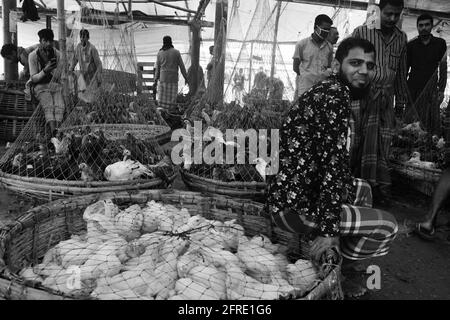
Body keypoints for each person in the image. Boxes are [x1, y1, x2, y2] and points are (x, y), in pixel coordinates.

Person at [264, 37, 398, 298]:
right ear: (337, 65)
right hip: (293, 209)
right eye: (355, 63)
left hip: (295, 192)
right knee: (388, 226)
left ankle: (341, 261)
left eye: (370, 66)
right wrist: (329, 231)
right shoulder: (334, 97)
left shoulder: (329, 89)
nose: (364, 71)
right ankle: (337, 267)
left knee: (364, 190)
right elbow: (332, 167)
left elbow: (331, 167)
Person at [351, 0, 410, 205]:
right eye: (388, 14)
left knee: (382, 144)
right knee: (356, 142)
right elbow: (348, 63)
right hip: (362, 95)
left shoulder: (401, 38)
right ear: (378, 11)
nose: (393, 19)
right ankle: (352, 188)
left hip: (386, 99)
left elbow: (401, 71)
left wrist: (401, 100)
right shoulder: (361, 32)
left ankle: (377, 190)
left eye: (397, 14)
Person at [406, 14, 447, 136]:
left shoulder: (440, 43)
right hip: (413, 91)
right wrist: (403, 92)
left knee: (431, 125)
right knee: (411, 126)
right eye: (421, 25)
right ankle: (409, 152)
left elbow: (443, 68)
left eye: (427, 25)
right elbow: (405, 69)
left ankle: (429, 151)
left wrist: (441, 90)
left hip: (432, 91)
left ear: (431, 26)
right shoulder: (411, 45)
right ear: (417, 27)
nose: (423, 28)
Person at [29, 28, 64, 137]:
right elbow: (34, 78)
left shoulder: (58, 54)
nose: (49, 43)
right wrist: (45, 71)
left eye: (51, 41)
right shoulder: (33, 56)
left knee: (59, 105)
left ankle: (58, 132)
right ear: (40, 41)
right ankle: (54, 133)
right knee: (48, 104)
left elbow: (60, 75)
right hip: (40, 86)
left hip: (55, 85)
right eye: (45, 41)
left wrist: (53, 71)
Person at [292, 14, 334, 99]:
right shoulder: (302, 44)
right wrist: (306, 76)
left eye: (328, 30)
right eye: (324, 29)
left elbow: (330, 67)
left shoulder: (329, 47)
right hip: (305, 89)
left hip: (322, 90)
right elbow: (295, 67)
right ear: (316, 27)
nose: (326, 32)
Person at [154, 36, 188, 109]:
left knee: (162, 100)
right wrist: (186, 78)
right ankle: (171, 113)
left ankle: (162, 114)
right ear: (171, 42)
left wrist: (155, 80)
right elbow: (182, 67)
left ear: (163, 42)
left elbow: (158, 69)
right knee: (171, 100)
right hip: (173, 79)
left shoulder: (160, 53)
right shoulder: (176, 52)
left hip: (163, 79)